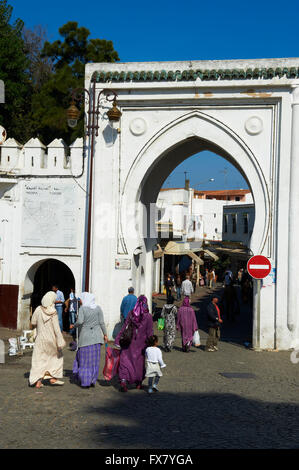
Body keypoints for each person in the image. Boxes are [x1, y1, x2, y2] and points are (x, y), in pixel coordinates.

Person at [115, 295, 153, 392]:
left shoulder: (131, 313)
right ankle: (138, 382)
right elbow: (150, 332)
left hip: (129, 342)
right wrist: (151, 344)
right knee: (139, 363)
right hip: (141, 344)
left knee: (125, 361)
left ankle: (123, 380)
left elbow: (124, 327)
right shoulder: (148, 316)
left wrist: (118, 339)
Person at [29, 291, 66, 388]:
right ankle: (52, 378)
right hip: (51, 340)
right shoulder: (53, 312)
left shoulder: (38, 309)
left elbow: (33, 322)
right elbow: (57, 329)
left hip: (40, 339)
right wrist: (60, 340)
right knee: (55, 359)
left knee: (39, 360)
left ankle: (38, 381)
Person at [72, 292, 108, 388]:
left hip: (85, 338)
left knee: (84, 361)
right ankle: (92, 380)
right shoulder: (98, 308)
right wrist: (105, 334)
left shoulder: (82, 309)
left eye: (81, 299)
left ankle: (85, 381)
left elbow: (80, 321)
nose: (80, 301)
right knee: (94, 361)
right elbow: (102, 322)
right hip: (96, 338)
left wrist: (73, 325)